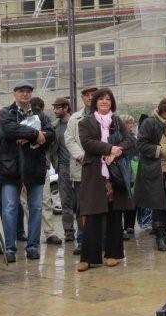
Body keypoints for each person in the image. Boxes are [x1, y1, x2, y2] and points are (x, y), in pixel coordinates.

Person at [77, 88, 135, 272]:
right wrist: (110, 148)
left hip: (115, 173)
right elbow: (87, 143)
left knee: (114, 214)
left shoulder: (117, 120)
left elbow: (129, 141)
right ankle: (88, 258)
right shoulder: (86, 122)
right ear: (95, 102)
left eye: (108, 99)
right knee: (92, 215)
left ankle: (113, 254)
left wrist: (117, 151)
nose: (104, 102)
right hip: (95, 173)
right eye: (101, 99)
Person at [0, 80, 55, 262]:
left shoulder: (41, 114)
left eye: (28, 91)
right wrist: (35, 135)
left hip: (35, 168)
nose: (25, 94)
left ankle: (33, 247)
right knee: (9, 209)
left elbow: (51, 134)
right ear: (14, 94)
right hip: (10, 169)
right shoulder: (6, 112)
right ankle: (9, 248)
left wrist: (29, 138)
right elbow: (8, 130)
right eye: (21, 91)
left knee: (36, 209)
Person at [135, 97, 166, 252]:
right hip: (157, 170)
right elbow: (141, 144)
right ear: (165, 110)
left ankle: (165, 233)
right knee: (159, 205)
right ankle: (159, 237)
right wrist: (161, 151)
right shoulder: (150, 122)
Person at [65, 86, 97, 255]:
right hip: (81, 169)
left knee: (101, 207)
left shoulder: (106, 116)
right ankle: (82, 240)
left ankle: (100, 240)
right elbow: (69, 140)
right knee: (81, 207)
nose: (90, 98)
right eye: (87, 95)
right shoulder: (75, 118)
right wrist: (82, 156)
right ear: (83, 98)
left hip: (101, 169)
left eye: (93, 95)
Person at [28, 96, 61, 246]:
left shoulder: (43, 120)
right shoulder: (45, 119)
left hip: (32, 166)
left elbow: (50, 138)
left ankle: (34, 234)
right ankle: (49, 233)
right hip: (39, 166)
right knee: (45, 201)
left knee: (27, 203)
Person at [49, 97, 76, 243]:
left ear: (66, 108)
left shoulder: (77, 123)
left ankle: (84, 233)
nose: (55, 110)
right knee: (65, 201)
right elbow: (51, 149)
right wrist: (56, 165)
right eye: (54, 107)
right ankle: (69, 232)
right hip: (63, 167)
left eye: (57, 107)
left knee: (80, 202)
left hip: (78, 166)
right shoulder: (55, 126)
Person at [119, 114, 138, 240]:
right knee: (123, 198)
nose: (129, 125)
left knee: (133, 198)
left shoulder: (134, 138)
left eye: (131, 123)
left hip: (134, 168)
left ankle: (130, 225)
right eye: (127, 123)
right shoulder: (119, 137)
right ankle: (122, 227)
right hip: (123, 168)